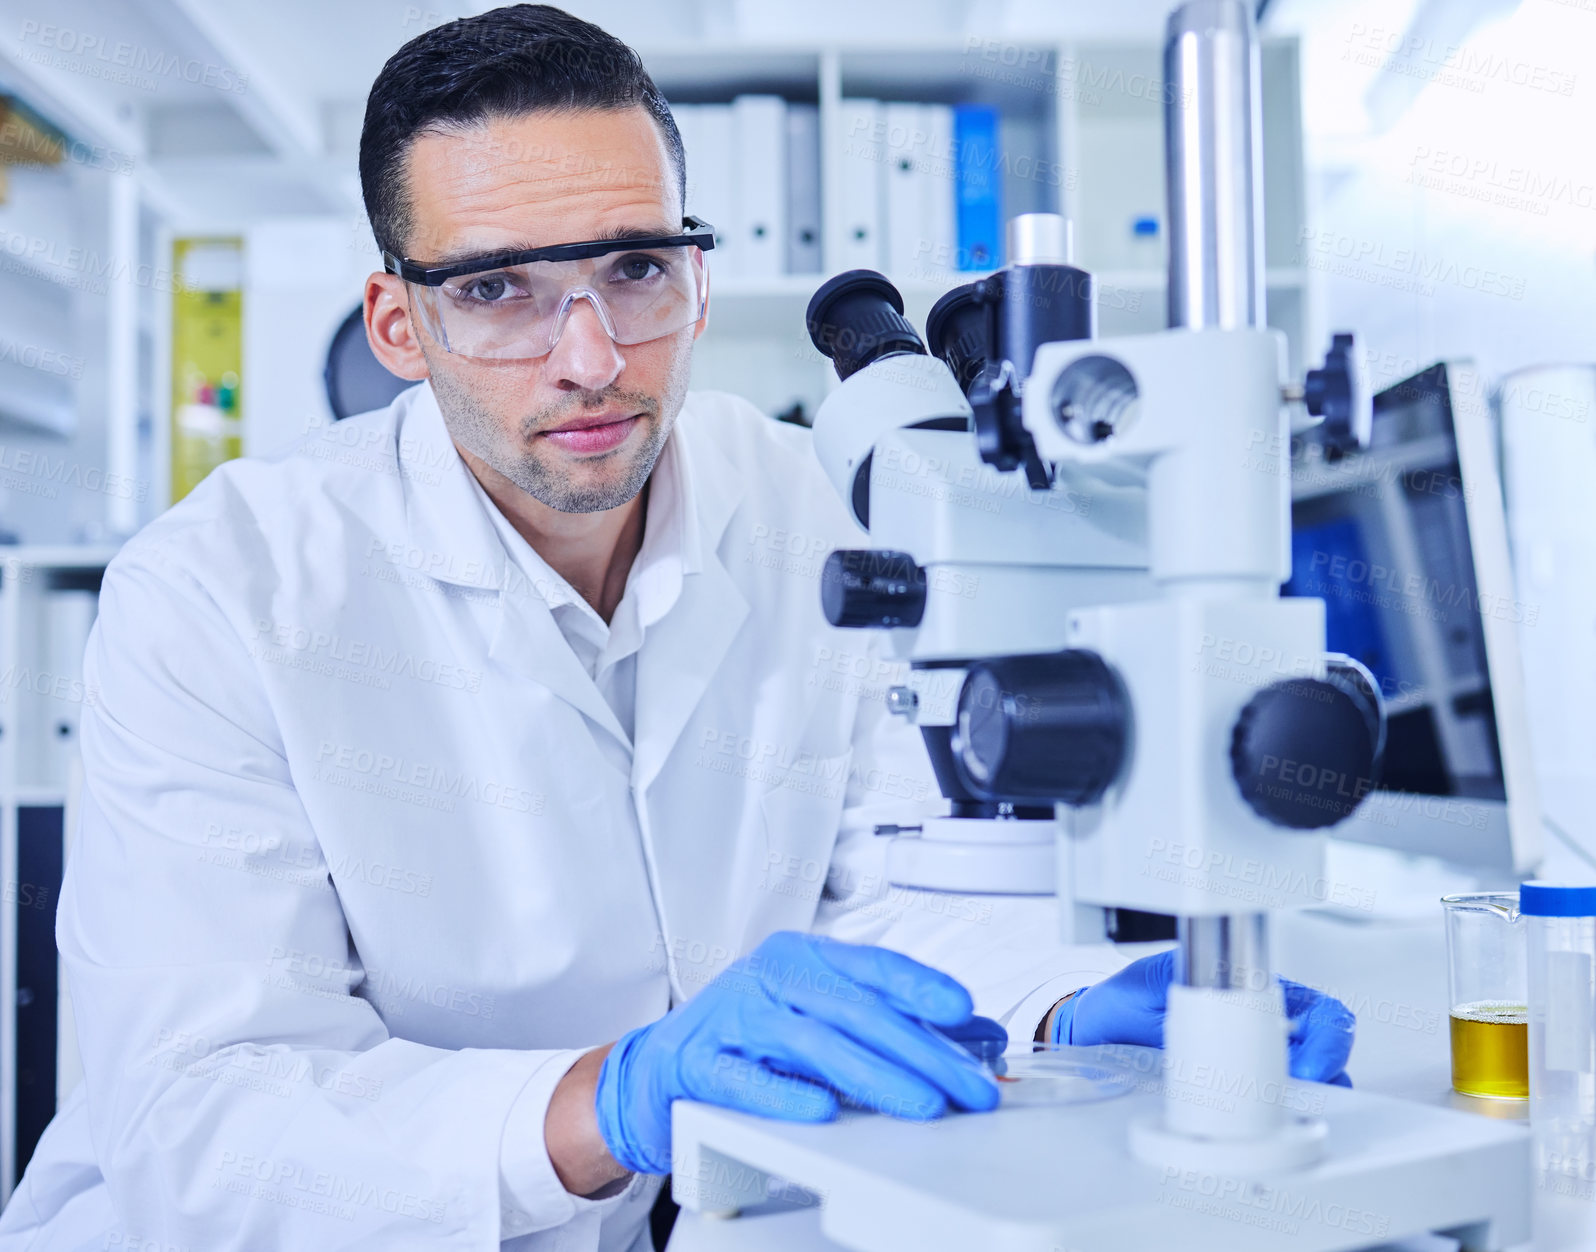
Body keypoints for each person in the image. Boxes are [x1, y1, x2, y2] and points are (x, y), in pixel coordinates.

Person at [0, 7, 1353, 1250]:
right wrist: (615, 1096)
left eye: (636, 268)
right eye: (497, 289)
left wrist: (1066, 1002)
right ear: (397, 324)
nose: (589, 356)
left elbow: (881, 897)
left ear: (699, 283)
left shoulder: (815, 502)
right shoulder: (220, 589)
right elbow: (202, 1125)